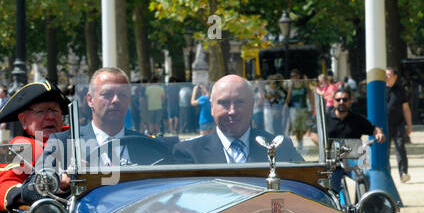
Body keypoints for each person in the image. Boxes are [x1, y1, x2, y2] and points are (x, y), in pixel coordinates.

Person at [172, 74, 302, 164]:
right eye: (224, 103)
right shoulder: (189, 153)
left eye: (240, 102)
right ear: (212, 108)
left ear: (252, 107)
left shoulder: (280, 147)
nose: (232, 111)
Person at [0, 81, 71, 211]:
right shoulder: (15, 146)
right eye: (41, 111)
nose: (50, 116)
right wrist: (40, 190)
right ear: (23, 120)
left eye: (54, 110)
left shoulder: (79, 136)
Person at [80, 67, 144, 167]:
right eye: (107, 94)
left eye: (122, 95)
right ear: (90, 100)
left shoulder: (145, 145)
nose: (116, 100)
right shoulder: (64, 144)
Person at [385, 67, 412, 182]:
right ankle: (387, 174)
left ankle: (403, 173)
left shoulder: (400, 90)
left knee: (400, 148)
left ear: (395, 77)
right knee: (385, 151)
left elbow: (405, 108)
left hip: (398, 124)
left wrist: (409, 124)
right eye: (385, 75)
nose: (386, 77)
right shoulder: (380, 89)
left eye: (389, 75)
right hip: (384, 126)